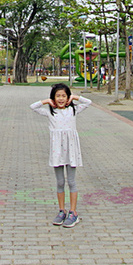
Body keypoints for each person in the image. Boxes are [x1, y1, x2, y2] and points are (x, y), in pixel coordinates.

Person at [30, 82, 92, 228]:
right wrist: (46, 101)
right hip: (57, 152)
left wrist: (75, 97)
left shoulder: (73, 110)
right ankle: (61, 210)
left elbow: (89, 102)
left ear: (68, 97)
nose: (61, 99)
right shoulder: (50, 112)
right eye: (58, 96)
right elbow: (32, 107)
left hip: (71, 151)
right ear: (53, 97)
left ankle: (73, 212)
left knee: (71, 181)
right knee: (59, 182)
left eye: (64, 96)